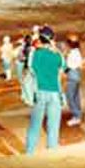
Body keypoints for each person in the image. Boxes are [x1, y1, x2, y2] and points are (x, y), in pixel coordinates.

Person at [26, 26, 66, 154]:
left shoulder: (34, 53)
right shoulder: (57, 55)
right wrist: (53, 48)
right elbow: (62, 68)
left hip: (39, 92)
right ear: (52, 39)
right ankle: (52, 152)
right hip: (55, 92)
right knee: (53, 127)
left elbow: (30, 68)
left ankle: (30, 153)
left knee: (35, 126)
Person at [65, 34, 84, 127]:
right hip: (77, 75)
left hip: (72, 75)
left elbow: (68, 67)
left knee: (70, 97)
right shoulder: (77, 52)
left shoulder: (72, 53)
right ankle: (78, 114)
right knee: (76, 96)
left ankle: (76, 116)